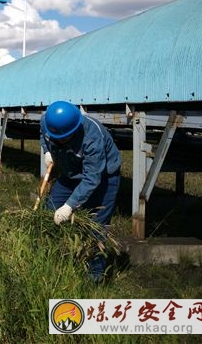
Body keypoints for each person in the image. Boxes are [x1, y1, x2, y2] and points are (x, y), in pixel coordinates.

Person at [40, 100, 122, 282]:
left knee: (96, 227)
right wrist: (47, 150)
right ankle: (51, 260)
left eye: (63, 138)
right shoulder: (49, 121)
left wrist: (69, 206)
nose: (58, 140)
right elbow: (43, 134)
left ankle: (95, 276)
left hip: (103, 179)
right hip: (69, 173)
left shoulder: (92, 138)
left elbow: (92, 178)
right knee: (49, 211)